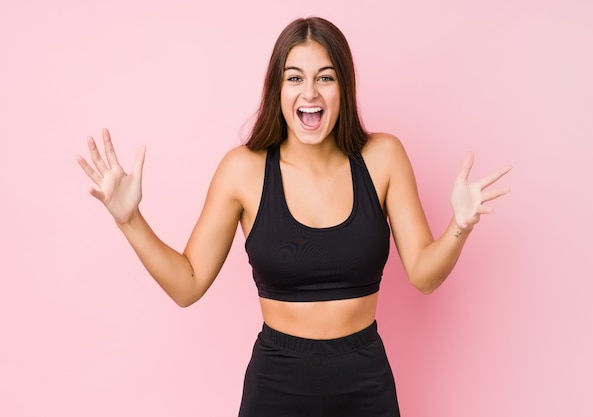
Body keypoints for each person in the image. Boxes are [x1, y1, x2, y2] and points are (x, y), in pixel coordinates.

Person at [77, 16, 511, 417]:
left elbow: (423, 275)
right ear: (277, 90)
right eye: (295, 78)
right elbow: (187, 284)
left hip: (364, 380)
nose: (310, 93)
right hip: (277, 383)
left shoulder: (384, 158)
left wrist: (460, 225)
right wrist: (129, 220)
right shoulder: (243, 170)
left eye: (325, 77)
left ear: (344, 86)